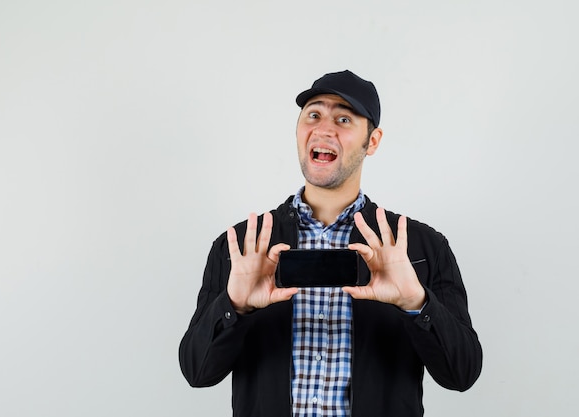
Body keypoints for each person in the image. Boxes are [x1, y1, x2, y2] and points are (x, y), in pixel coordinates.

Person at [179, 70, 483, 417]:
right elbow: (197, 371)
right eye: (313, 114)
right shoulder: (241, 246)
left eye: (343, 118)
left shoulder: (420, 248)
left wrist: (416, 302)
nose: (324, 129)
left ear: (372, 141)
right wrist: (235, 305)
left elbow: (462, 374)